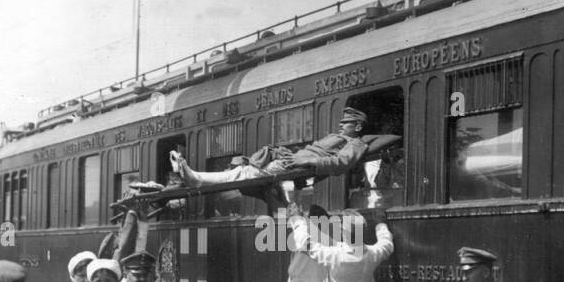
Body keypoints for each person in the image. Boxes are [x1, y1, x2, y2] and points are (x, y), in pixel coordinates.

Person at [170, 109, 401, 199]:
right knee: (244, 171)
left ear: (358, 127)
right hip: (291, 160)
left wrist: (310, 159)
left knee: (245, 173)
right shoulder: (342, 138)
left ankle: (195, 177)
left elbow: (341, 163)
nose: (341, 126)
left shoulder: (355, 143)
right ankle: (193, 177)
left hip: (296, 167)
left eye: (347, 124)